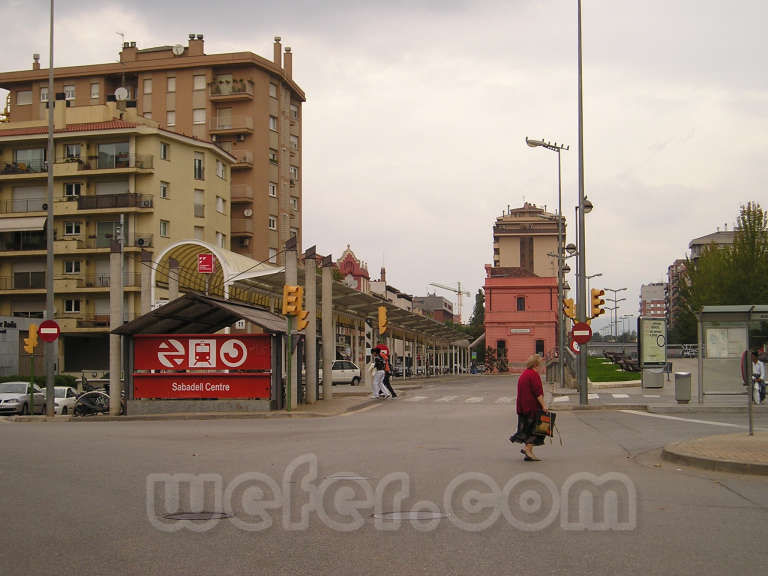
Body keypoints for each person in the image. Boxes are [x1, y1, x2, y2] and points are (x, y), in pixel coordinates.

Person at [509, 354, 548, 461]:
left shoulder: (525, 374)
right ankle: (528, 449)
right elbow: (538, 392)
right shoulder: (533, 375)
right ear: (536, 365)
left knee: (528, 429)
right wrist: (544, 405)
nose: (541, 367)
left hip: (523, 407)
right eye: (540, 365)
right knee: (538, 430)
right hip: (532, 408)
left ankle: (529, 452)